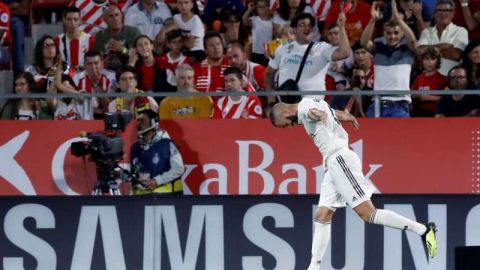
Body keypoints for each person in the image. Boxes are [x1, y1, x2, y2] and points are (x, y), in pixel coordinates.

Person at [268, 97, 438, 269]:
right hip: (332, 165)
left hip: (340, 160)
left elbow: (312, 113)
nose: (287, 128)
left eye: (284, 124)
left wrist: (318, 115)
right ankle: (314, 266)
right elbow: (334, 113)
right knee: (322, 215)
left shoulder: (305, 109)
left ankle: (424, 230)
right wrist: (348, 117)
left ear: (285, 112)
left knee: (368, 214)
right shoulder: (311, 101)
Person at [265, 12, 350, 104]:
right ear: (294, 30)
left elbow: (344, 53)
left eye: (310, 25)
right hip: (286, 106)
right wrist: (270, 97)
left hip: (312, 109)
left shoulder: (322, 48)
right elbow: (269, 74)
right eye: (302, 25)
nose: (307, 28)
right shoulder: (283, 48)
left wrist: (341, 27)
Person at [360, 0, 417, 117]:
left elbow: (413, 41)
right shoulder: (378, 46)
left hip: (399, 105)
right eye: (389, 33)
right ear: (384, 33)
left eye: (396, 33)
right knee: (369, 135)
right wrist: (372, 21)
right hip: (376, 104)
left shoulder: (407, 48)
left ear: (402, 34)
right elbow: (364, 42)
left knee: (401, 135)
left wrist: (399, 20)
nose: (392, 36)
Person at [130, 109, 185, 195]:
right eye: (138, 121)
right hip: (140, 201)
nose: (138, 124)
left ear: (153, 122)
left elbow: (179, 168)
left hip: (165, 199)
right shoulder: (134, 148)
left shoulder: (167, 144)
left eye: (142, 120)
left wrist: (157, 181)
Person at [417, 0, 468, 76]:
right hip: (429, 79)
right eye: (439, 10)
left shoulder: (461, 31)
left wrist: (429, 53)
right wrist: (442, 46)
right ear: (434, 13)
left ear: (453, 13)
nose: (443, 13)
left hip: (451, 79)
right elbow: (419, 52)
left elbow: (456, 55)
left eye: (447, 10)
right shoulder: (426, 32)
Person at [94, 3, 141, 70]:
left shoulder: (133, 32)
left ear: (122, 15)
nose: (115, 19)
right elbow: (98, 64)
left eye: (117, 15)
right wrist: (109, 56)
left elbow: (140, 55)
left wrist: (123, 50)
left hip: (131, 70)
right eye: (110, 16)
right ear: (104, 19)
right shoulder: (100, 37)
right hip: (109, 74)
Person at [73, 50, 117, 119]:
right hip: (83, 117)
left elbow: (109, 108)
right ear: (84, 65)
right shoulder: (77, 78)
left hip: (106, 118)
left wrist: (95, 83)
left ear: (102, 63)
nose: (93, 67)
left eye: (96, 63)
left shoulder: (111, 77)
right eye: (89, 64)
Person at [55, 6, 95, 71]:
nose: (72, 23)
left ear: (80, 21)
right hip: (65, 79)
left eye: (75, 19)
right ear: (64, 20)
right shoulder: (57, 41)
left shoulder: (91, 40)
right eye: (69, 19)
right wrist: (48, 80)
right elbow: (54, 66)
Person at [411, 45, 448, 117]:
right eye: (426, 59)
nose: (430, 62)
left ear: (437, 61)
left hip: (435, 114)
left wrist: (429, 97)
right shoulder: (418, 78)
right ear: (422, 61)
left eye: (433, 59)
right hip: (418, 113)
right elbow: (412, 94)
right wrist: (417, 96)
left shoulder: (443, 79)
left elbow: (449, 99)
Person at [242, 0, 273, 66]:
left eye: (265, 6)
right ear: (256, 9)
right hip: (256, 52)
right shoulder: (254, 19)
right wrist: (249, 10)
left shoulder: (273, 21)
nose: (264, 9)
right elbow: (243, 21)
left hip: (269, 52)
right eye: (260, 7)